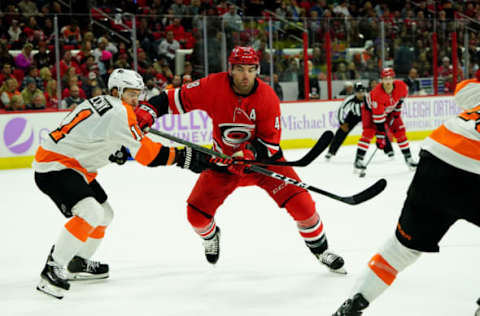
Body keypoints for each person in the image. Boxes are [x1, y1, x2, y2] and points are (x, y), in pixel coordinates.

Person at [134, 46, 346, 273]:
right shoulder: (212, 86)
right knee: (195, 216)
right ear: (230, 70)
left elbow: (270, 145)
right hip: (223, 165)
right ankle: (211, 236)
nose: (245, 75)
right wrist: (148, 111)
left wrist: (248, 155)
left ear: (258, 70)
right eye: (240, 69)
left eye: (251, 69)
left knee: (304, 206)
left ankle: (322, 251)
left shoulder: (267, 98)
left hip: (264, 164)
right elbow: (171, 99)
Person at [33, 68, 212, 299]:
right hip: (55, 168)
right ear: (116, 91)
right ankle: (52, 269)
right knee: (91, 214)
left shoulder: (98, 101)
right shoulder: (120, 112)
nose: (136, 99)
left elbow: (90, 134)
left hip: (72, 166)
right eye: (131, 94)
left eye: (138, 94)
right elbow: (147, 155)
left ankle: (77, 263)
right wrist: (183, 157)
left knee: (105, 215)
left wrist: (115, 150)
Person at [332, 75, 480, 315]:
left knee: (402, 249)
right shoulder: (377, 95)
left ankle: (353, 304)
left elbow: (463, 90)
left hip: (436, 159)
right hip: (474, 172)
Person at [353, 68, 417, 174]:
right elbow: (379, 120)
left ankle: (408, 158)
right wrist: (381, 137)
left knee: (400, 131)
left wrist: (396, 113)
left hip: (390, 110)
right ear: (381, 80)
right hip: (370, 112)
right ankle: (358, 160)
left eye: (390, 78)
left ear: (393, 79)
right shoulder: (376, 94)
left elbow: (400, 100)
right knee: (368, 133)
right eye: (385, 79)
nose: (387, 81)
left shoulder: (401, 86)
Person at [326, 82, 366, 160]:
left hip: (366, 115)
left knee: (380, 128)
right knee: (341, 131)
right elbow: (341, 109)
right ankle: (331, 152)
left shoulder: (368, 98)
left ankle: (388, 150)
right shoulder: (350, 98)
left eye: (362, 92)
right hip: (353, 116)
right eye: (358, 92)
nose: (361, 94)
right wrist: (341, 123)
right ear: (355, 93)